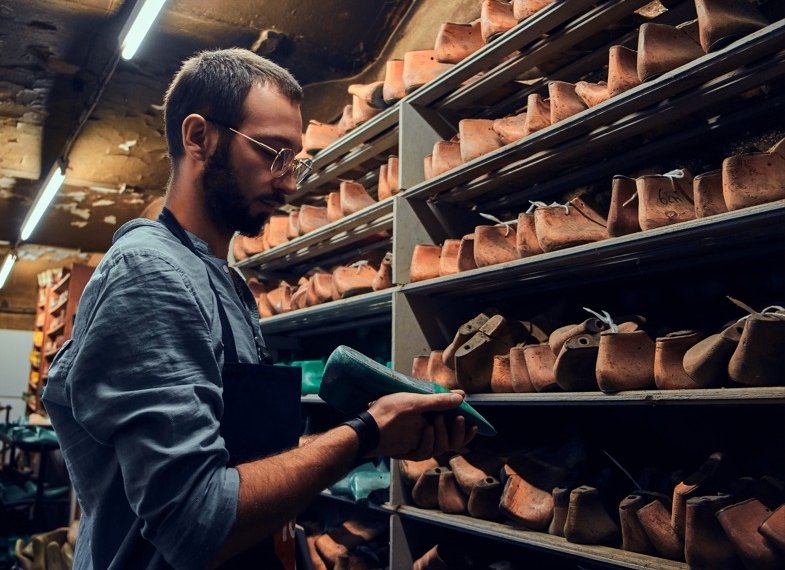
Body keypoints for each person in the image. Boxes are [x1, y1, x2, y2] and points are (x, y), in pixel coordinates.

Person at [42, 48, 475, 569]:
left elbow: (233, 457)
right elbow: (195, 522)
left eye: (295, 160)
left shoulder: (222, 278)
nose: (290, 182)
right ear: (198, 136)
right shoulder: (149, 273)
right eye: (271, 153)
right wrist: (366, 434)